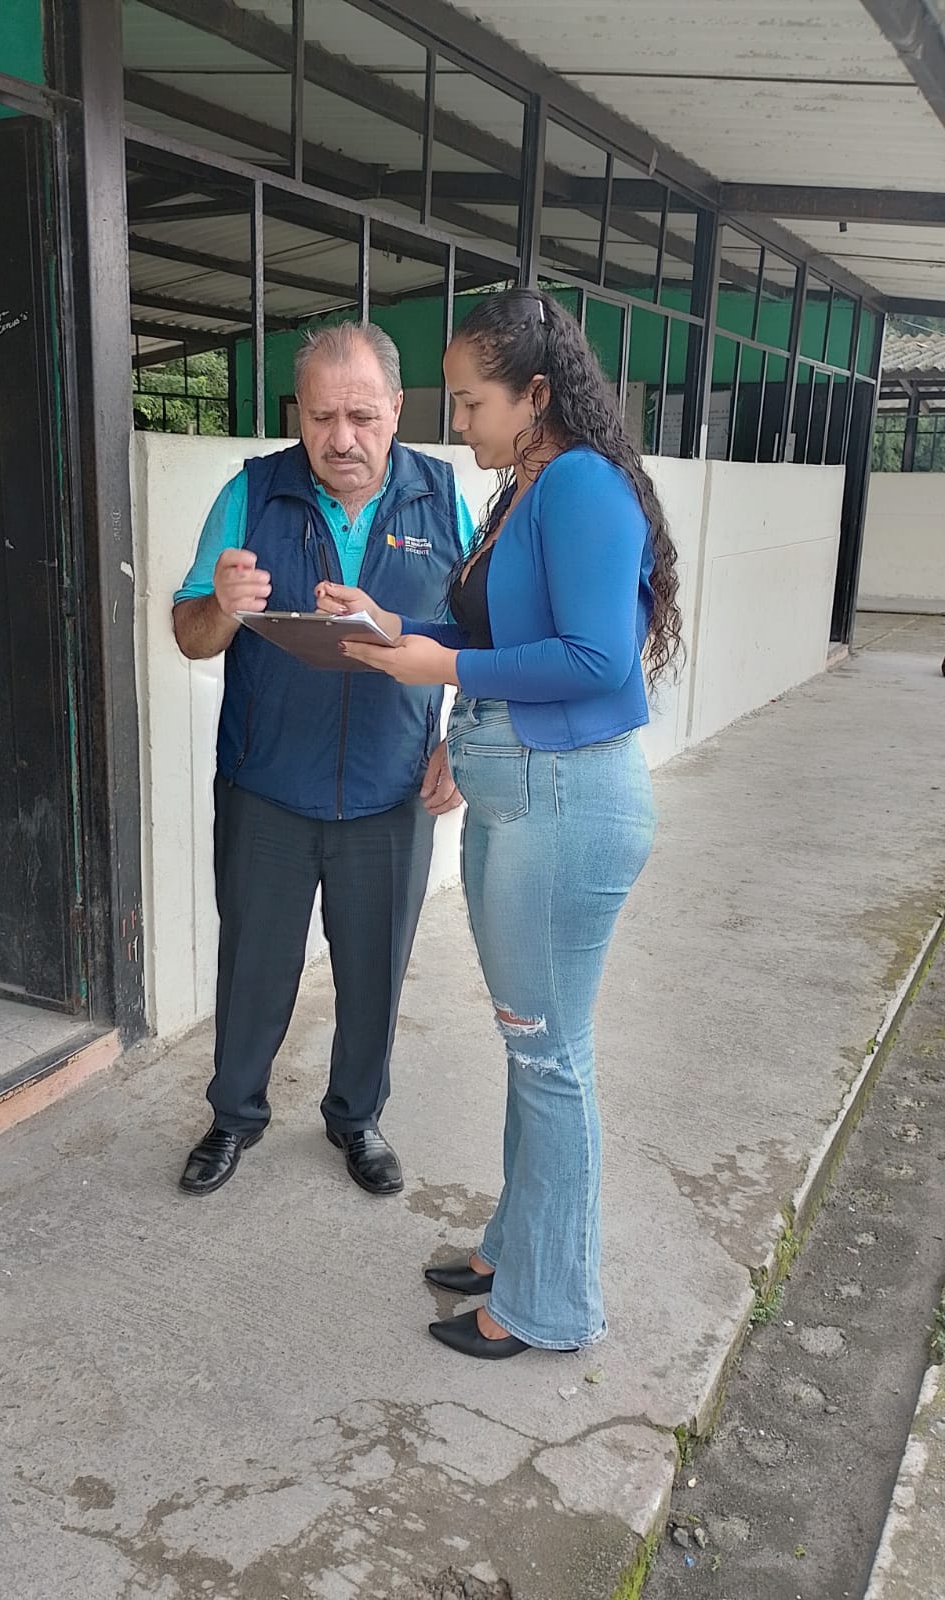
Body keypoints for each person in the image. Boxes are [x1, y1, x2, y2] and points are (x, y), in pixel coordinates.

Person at [315, 287, 682, 1359]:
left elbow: (597, 659)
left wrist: (444, 668)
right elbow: (491, 626)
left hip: (565, 803)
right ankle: (515, 1248)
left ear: (537, 395)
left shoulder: (582, 485)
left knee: (549, 1056)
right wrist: (393, 624)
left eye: (473, 402)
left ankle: (548, 1305)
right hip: (526, 799)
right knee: (534, 1050)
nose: (458, 422)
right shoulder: (524, 489)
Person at [172, 322, 474, 1198]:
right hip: (267, 786)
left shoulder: (443, 498)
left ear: (396, 410)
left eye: (361, 416)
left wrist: (461, 738)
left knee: (374, 972)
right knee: (253, 969)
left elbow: (483, 636)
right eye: (319, 417)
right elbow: (190, 634)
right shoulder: (251, 493)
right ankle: (233, 1117)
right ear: (297, 413)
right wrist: (222, 606)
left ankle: (357, 1119)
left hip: (392, 789)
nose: (341, 438)